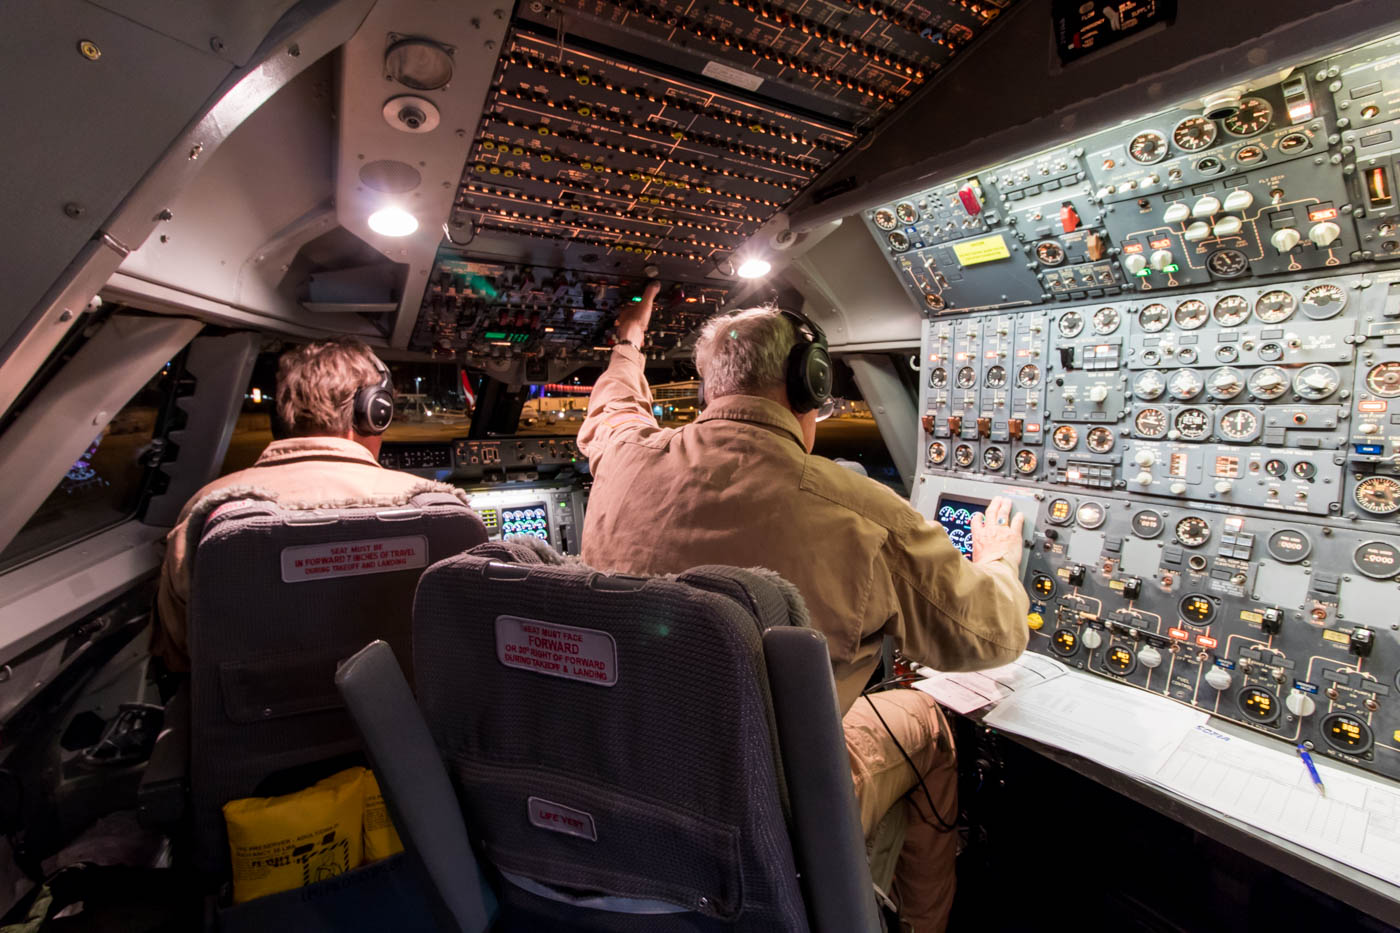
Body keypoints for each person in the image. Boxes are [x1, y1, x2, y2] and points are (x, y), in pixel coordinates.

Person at [577, 282, 1029, 932]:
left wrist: (628, 341)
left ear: (711, 389)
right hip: (764, 808)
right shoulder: (862, 512)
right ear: (811, 385)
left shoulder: (621, 461)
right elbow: (992, 634)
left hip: (631, 779)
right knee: (928, 721)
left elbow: (615, 406)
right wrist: (997, 559)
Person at [152, 337, 424, 671]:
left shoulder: (211, 510)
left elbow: (180, 649)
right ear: (374, 412)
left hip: (253, 720)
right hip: (403, 717)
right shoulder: (434, 506)